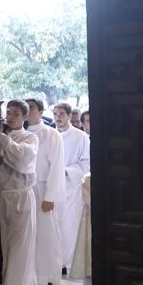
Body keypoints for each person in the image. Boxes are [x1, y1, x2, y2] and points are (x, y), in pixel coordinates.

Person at [0, 99, 38, 285]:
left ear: (24, 117)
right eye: (8, 113)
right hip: (1, 195)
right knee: (3, 245)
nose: (10, 117)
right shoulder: (1, 137)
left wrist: (3, 139)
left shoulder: (30, 138)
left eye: (15, 114)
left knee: (18, 247)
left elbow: (22, 160)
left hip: (21, 196)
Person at [26, 98, 65, 285]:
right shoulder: (20, 133)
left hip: (43, 189)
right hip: (25, 190)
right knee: (28, 235)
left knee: (46, 234)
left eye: (31, 108)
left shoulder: (50, 134)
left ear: (40, 112)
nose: (27, 111)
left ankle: (47, 275)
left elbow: (56, 166)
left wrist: (50, 196)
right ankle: (29, 277)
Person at [53, 103, 90, 273]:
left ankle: (68, 263)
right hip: (51, 188)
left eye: (61, 114)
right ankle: (54, 262)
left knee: (69, 226)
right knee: (53, 226)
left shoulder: (80, 137)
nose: (58, 117)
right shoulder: (50, 135)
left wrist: (67, 172)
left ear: (69, 116)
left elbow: (86, 162)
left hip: (71, 188)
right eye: (55, 114)